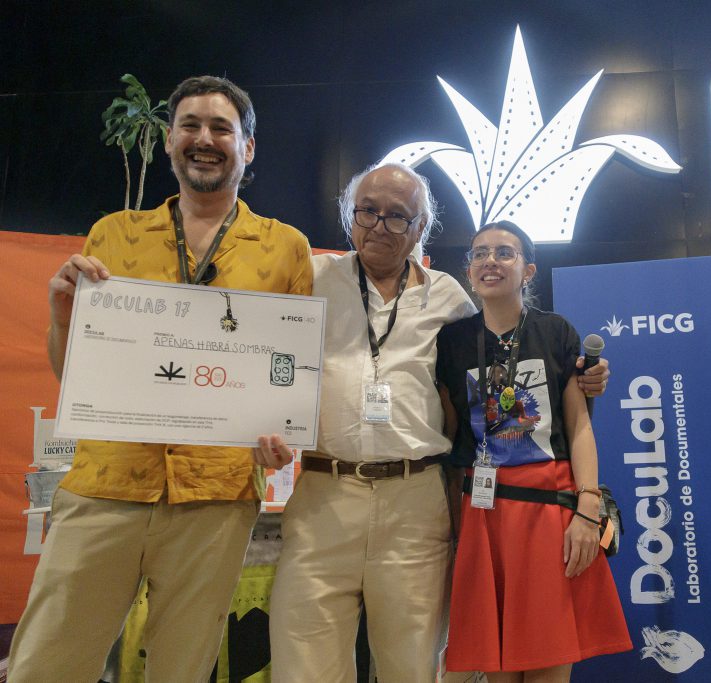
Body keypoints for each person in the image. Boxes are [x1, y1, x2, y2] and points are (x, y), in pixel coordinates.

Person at [8, 75, 313, 683]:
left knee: (182, 669)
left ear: (247, 147)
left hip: (216, 498)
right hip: (105, 485)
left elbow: (289, 371)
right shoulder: (113, 235)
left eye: (221, 128)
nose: (205, 139)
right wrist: (63, 316)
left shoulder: (285, 248)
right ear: (170, 139)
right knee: (46, 664)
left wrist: (282, 436)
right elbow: (75, 377)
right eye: (190, 125)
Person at [254, 164, 609, 682]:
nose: (380, 225)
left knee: (416, 667)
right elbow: (259, 348)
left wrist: (588, 377)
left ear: (421, 228)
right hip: (323, 496)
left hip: (416, 499)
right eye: (368, 211)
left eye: (398, 216)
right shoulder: (308, 279)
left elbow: (474, 401)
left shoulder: (449, 300)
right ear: (349, 218)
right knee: (304, 665)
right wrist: (259, 423)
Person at [435, 221, 632, 681]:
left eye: (504, 252)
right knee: (497, 666)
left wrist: (588, 508)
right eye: (479, 253)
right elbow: (450, 433)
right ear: (469, 270)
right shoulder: (452, 341)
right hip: (484, 515)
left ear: (528, 270)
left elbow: (579, 425)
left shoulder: (555, 332)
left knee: (549, 659)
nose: (490, 261)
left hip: (550, 511)